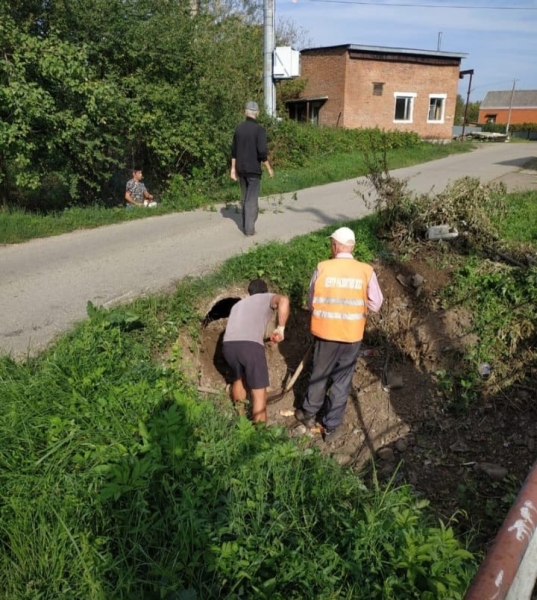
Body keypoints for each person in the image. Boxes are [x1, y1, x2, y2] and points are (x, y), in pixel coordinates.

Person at [295, 226, 384, 442]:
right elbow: (376, 303)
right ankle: (332, 427)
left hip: (326, 334)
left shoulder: (323, 267)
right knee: (342, 381)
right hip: (352, 335)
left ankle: (308, 414)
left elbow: (311, 301)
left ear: (335, 246)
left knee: (319, 375)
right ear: (352, 247)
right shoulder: (365, 270)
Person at [222, 279, 289, 424]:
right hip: (250, 347)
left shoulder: (238, 305)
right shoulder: (266, 298)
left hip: (228, 345)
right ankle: (260, 434)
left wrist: (266, 337)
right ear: (265, 291)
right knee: (259, 393)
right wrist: (280, 329)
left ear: (249, 293)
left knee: (237, 379)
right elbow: (283, 300)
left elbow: (246, 328)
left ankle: (241, 422)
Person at [230, 101, 274, 236]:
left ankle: (245, 224)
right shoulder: (259, 130)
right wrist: (269, 168)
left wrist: (233, 169)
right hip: (254, 170)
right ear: (258, 113)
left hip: (241, 169)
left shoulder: (239, 128)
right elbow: (262, 151)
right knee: (251, 199)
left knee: (244, 197)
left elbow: (234, 151)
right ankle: (249, 230)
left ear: (245, 112)